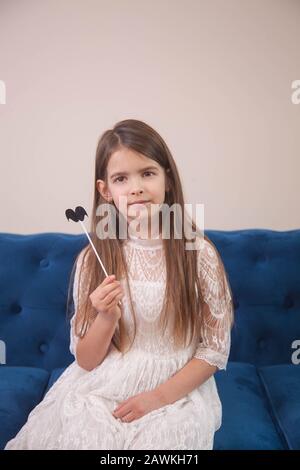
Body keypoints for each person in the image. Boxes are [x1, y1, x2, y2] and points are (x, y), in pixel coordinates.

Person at [5, 119, 234, 450]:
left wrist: (158, 397)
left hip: (173, 389)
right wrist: (105, 317)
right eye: (121, 178)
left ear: (167, 179)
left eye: (148, 173)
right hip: (103, 383)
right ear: (105, 191)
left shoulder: (197, 253)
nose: (136, 187)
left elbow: (214, 349)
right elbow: (85, 360)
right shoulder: (93, 258)